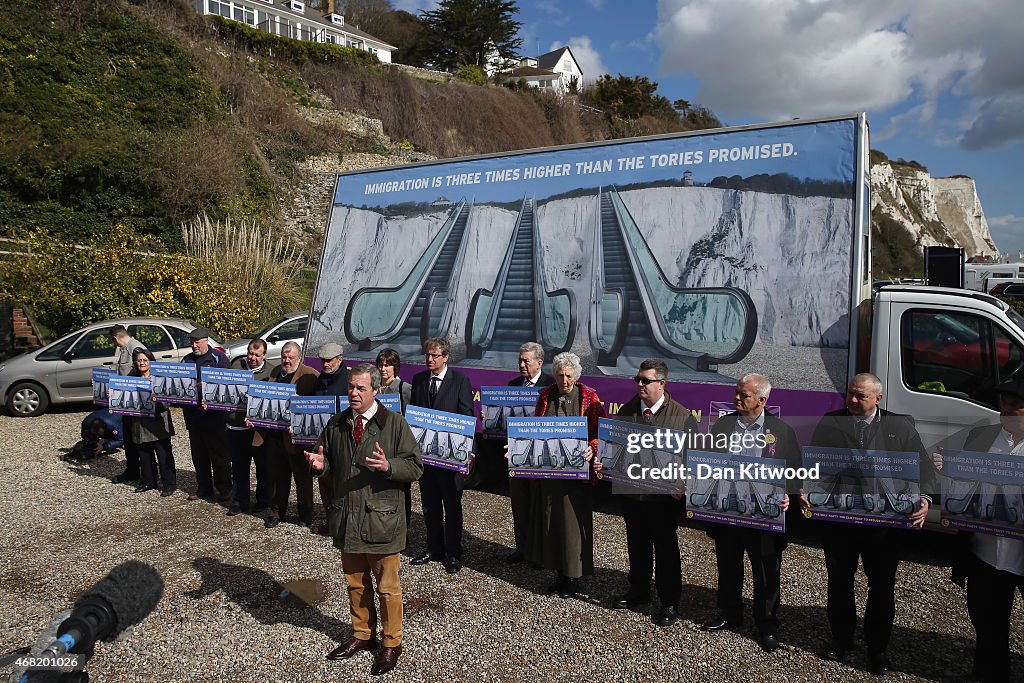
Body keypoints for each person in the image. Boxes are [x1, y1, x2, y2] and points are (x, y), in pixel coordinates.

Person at [810, 372, 935, 676]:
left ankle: (877, 648)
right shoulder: (831, 421)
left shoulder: (899, 426)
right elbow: (814, 465)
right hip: (840, 522)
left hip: (883, 527)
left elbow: (924, 469)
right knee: (839, 582)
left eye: (861, 396)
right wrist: (806, 489)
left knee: (881, 586)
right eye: (850, 393)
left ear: (878, 399)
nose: (852, 400)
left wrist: (925, 500)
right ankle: (841, 640)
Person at [305, 363, 423, 676]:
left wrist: (389, 467)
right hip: (347, 518)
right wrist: (319, 465)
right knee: (355, 584)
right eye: (351, 388)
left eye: (361, 389)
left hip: (381, 520)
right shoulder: (338, 423)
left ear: (375, 390)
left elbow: (415, 466)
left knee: (387, 587)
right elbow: (327, 459)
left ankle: (391, 641)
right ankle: (362, 634)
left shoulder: (394, 424)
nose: (354, 394)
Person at [700, 373, 801, 652]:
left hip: (764, 516)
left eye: (743, 395)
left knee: (766, 572)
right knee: (728, 566)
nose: (736, 398)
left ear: (762, 400)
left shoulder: (781, 431)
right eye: (736, 392)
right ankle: (730, 614)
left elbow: (794, 474)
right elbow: (709, 462)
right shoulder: (723, 425)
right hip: (729, 511)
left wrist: (789, 499)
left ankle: (767, 625)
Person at [939, 378, 1024, 683]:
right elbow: (961, 481)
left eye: (1016, 406)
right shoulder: (982, 435)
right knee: (987, 622)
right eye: (1004, 404)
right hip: (985, 554)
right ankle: (990, 675)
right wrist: (947, 469)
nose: (1007, 411)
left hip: (1020, 555)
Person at [613, 358, 697, 628]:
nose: (639, 384)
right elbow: (616, 449)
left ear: (662, 384)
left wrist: (684, 482)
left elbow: (691, 459)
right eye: (637, 379)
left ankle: (669, 601)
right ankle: (639, 591)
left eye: (645, 381)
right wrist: (607, 462)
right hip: (633, 495)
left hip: (662, 500)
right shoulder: (627, 410)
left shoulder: (682, 417)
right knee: (636, 545)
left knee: (665, 549)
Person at [528, 351, 606, 598]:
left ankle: (573, 577)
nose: (564, 380)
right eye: (560, 375)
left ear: (576, 375)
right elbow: (535, 429)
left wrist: (591, 448)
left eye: (569, 376)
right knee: (551, 522)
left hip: (576, 477)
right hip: (551, 473)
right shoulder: (545, 395)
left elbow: (600, 432)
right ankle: (558, 573)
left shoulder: (589, 397)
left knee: (572, 526)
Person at [409, 337, 474, 574]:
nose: (429, 359)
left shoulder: (460, 380)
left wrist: (469, 451)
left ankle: (454, 552)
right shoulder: (418, 380)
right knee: (430, 504)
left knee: (452, 505)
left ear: (445, 357)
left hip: (450, 458)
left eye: (434, 355)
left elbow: (467, 416)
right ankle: (433, 547)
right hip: (426, 457)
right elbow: (414, 417)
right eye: (427, 354)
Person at [505, 342, 554, 565]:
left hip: (541, 456)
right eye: (520, 360)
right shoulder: (513, 385)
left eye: (526, 361)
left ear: (539, 363)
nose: (522, 364)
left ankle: (540, 552)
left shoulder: (551, 386)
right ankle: (522, 548)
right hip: (517, 454)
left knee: (540, 505)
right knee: (520, 502)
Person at [263, 341, 319, 529]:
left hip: (298, 439)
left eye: (291, 357)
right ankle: (276, 511)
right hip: (275, 435)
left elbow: (319, 405)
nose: (287, 361)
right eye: (284, 357)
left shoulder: (311, 375)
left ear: (299, 357)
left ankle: (305, 514)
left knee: (302, 479)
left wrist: (301, 403)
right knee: (278, 477)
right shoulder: (275, 373)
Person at [226, 339, 278, 516]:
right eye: (250, 353)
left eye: (257, 355)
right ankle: (240, 501)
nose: (252, 358)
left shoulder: (272, 372)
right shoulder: (236, 366)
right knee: (239, 468)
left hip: (259, 431)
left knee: (263, 467)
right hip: (236, 427)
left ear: (264, 355)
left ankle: (263, 501)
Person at [181, 327, 231, 503]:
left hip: (214, 417)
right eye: (191, 342)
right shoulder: (186, 360)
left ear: (206, 341)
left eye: (197, 341)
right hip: (193, 416)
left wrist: (208, 392)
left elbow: (227, 386)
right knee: (198, 455)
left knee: (219, 455)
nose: (193, 345)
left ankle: (224, 488)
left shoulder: (219, 359)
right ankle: (204, 487)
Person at [127, 348, 176, 496]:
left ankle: (169, 483)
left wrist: (159, 398)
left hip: (158, 422)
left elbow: (169, 401)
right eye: (139, 360)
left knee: (163, 453)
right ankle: (148, 481)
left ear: (151, 362)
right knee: (144, 453)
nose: (142, 363)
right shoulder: (132, 377)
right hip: (139, 421)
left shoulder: (159, 378)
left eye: (145, 360)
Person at [312, 342, 348, 526]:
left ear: (339, 359)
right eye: (322, 361)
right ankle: (330, 521)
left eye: (329, 361)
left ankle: (343, 522)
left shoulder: (348, 381)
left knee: (341, 483)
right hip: (323, 439)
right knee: (324, 482)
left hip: (342, 439)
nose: (325, 364)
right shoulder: (320, 379)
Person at [376, 348, 412, 526]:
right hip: (376, 445)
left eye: (387, 365)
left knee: (400, 490)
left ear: (395, 367)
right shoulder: (374, 389)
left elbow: (410, 420)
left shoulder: (403, 388)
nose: (383, 369)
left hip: (397, 448)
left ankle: (403, 527)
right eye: (381, 365)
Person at [110, 324, 146, 485]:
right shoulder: (125, 349)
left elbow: (142, 373)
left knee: (137, 438)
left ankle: (143, 472)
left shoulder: (136, 349)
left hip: (135, 400)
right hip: (125, 401)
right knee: (129, 438)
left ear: (115, 338)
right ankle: (132, 470)